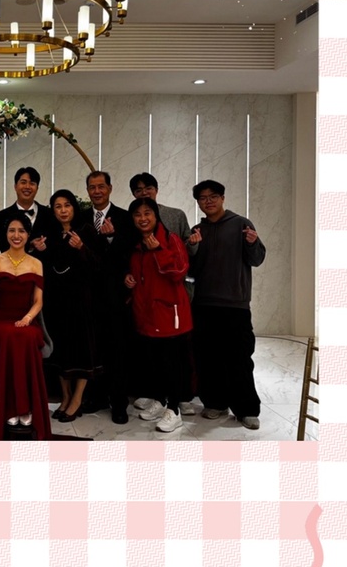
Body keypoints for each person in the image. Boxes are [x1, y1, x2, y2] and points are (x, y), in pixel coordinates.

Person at [188, 179, 267, 430]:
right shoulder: (197, 230)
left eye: (213, 196)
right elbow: (190, 271)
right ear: (198, 203)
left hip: (235, 305)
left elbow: (257, 259)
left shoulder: (241, 224)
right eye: (203, 198)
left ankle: (247, 409)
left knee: (240, 358)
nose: (208, 201)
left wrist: (253, 243)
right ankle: (215, 403)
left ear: (222, 198)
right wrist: (192, 248)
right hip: (204, 304)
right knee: (208, 357)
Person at [124, 198, 194, 433]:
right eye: (137, 214)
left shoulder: (170, 240)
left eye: (147, 213)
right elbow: (140, 274)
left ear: (156, 216)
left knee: (171, 364)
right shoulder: (137, 244)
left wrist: (158, 250)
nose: (143, 218)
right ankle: (160, 400)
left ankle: (174, 410)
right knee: (153, 362)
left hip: (169, 313)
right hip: (146, 313)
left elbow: (179, 271)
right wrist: (128, 278)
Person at [0, 213, 51, 440]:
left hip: (26, 318)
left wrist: (28, 318)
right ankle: (10, 407)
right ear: (6, 234)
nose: (16, 235)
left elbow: (38, 301)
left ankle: (25, 407)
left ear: (28, 234)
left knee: (27, 336)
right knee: (8, 335)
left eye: (21, 231)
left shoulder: (36, 263)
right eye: (12, 230)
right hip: (0, 319)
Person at [44, 188, 101, 423]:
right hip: (57, 301)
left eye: (67, 205)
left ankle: (77, 399)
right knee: (60, 352)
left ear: (74, 208)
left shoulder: (86, 230)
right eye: (58, 206)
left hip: (81, 301)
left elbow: (99, 266)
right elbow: (48, 267)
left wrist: (81, 248)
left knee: (81, 351)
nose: (63, 210)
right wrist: (41, 250)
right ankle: (65, 397)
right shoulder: (51, 234)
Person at [84, 170, 135, 423]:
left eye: (101, 186)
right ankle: (97, 397)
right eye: (92, 187)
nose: (97, 191)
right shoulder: (81, 217)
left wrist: (112, 238)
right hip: (88, 296)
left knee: (117, 351)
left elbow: (130, 254)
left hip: (115, 296)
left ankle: (119, 403)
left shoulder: (124, 217)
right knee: (94, 349)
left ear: (110, 188)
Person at [0, 166, 56, 254]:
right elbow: (4, 248)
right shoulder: (2, 216)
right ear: (15, 186)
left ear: (37, 188)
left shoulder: (49, 214)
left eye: (32, 183)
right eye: (23, 182)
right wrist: (30, 245)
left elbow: (55, 246)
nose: (27, 186)